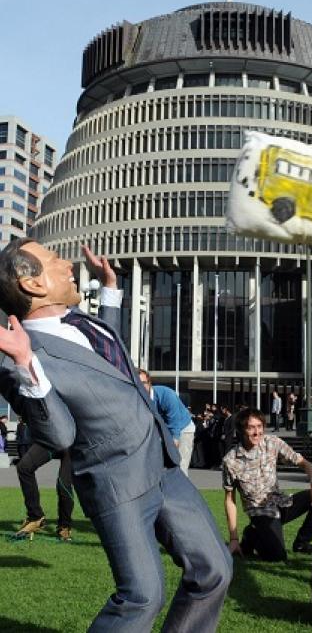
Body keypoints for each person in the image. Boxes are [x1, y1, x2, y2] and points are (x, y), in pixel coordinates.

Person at [0, 239, 231, 633]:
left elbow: (107, 360)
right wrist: (25, 362)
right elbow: (58, 435)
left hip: (163, 465)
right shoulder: (17, 357)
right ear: (32, 284)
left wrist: (110, 289)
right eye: (55, 261)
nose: (68, 265)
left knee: (215, 570)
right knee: (142, 595)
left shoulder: (85, 321)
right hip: (117, 485)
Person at [223, 407, 312, 562]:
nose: (257, 432)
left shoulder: (272, 443)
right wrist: (233, 538)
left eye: (260, 427)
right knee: (277, 556)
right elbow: (229, 500)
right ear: (241, 430)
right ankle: (251, 534)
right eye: (251, 427)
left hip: (282, 503)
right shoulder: (231, 460)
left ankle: (302, 543)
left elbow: (306, 464)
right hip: (260, 512)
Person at [138, 369, 195, 476]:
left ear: (149, 383)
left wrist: (175, 439)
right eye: (138, 383)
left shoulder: (166, 395)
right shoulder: (140, 399)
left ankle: (182, 491)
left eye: (143, 383)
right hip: (164, 431)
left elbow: (175, 421)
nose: (140, 386)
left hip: (183, 428)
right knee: (160, 467)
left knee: (180, 467)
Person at [14, 443, 74, 541]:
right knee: (24, 467)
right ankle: (35, 517)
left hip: (73, 443)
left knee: (63, 485)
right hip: (51, 439)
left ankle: (64, 526)